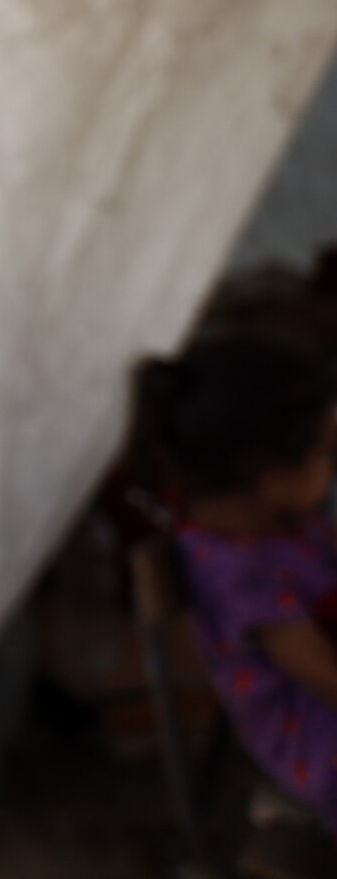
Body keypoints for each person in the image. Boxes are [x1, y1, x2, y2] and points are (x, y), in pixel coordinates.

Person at [139, 333, 337, 834]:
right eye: (326, 454)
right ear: (273, 477)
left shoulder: (286, 522)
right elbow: (325, 676)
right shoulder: (241, 577)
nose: (331, 471)